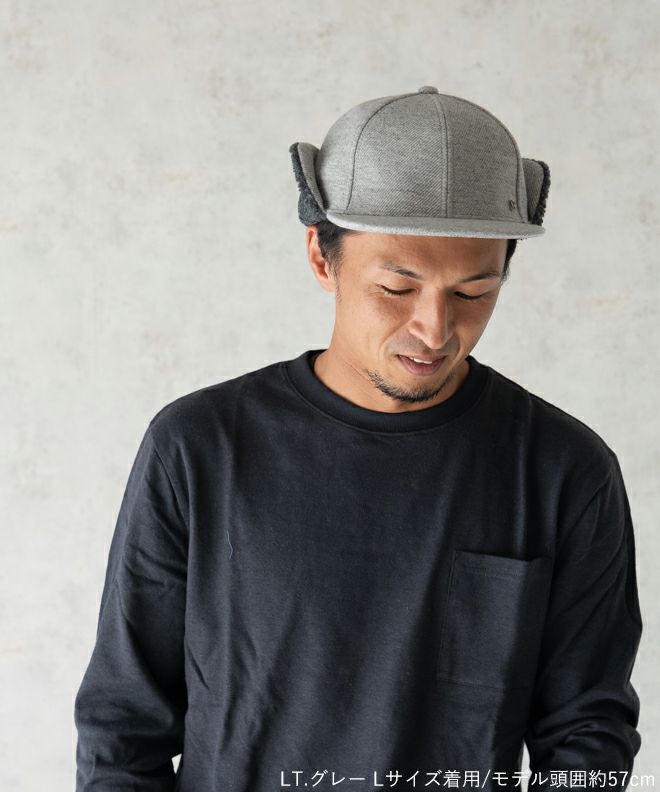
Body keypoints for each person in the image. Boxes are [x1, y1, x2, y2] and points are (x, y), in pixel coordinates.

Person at [74, 87, 642, 791]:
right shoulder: (199, 448)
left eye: (473, 292)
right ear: (322, 256)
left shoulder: (565, 470)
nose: (435, 330)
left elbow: (587, 733)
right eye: (397, 288)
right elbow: (124, 725)